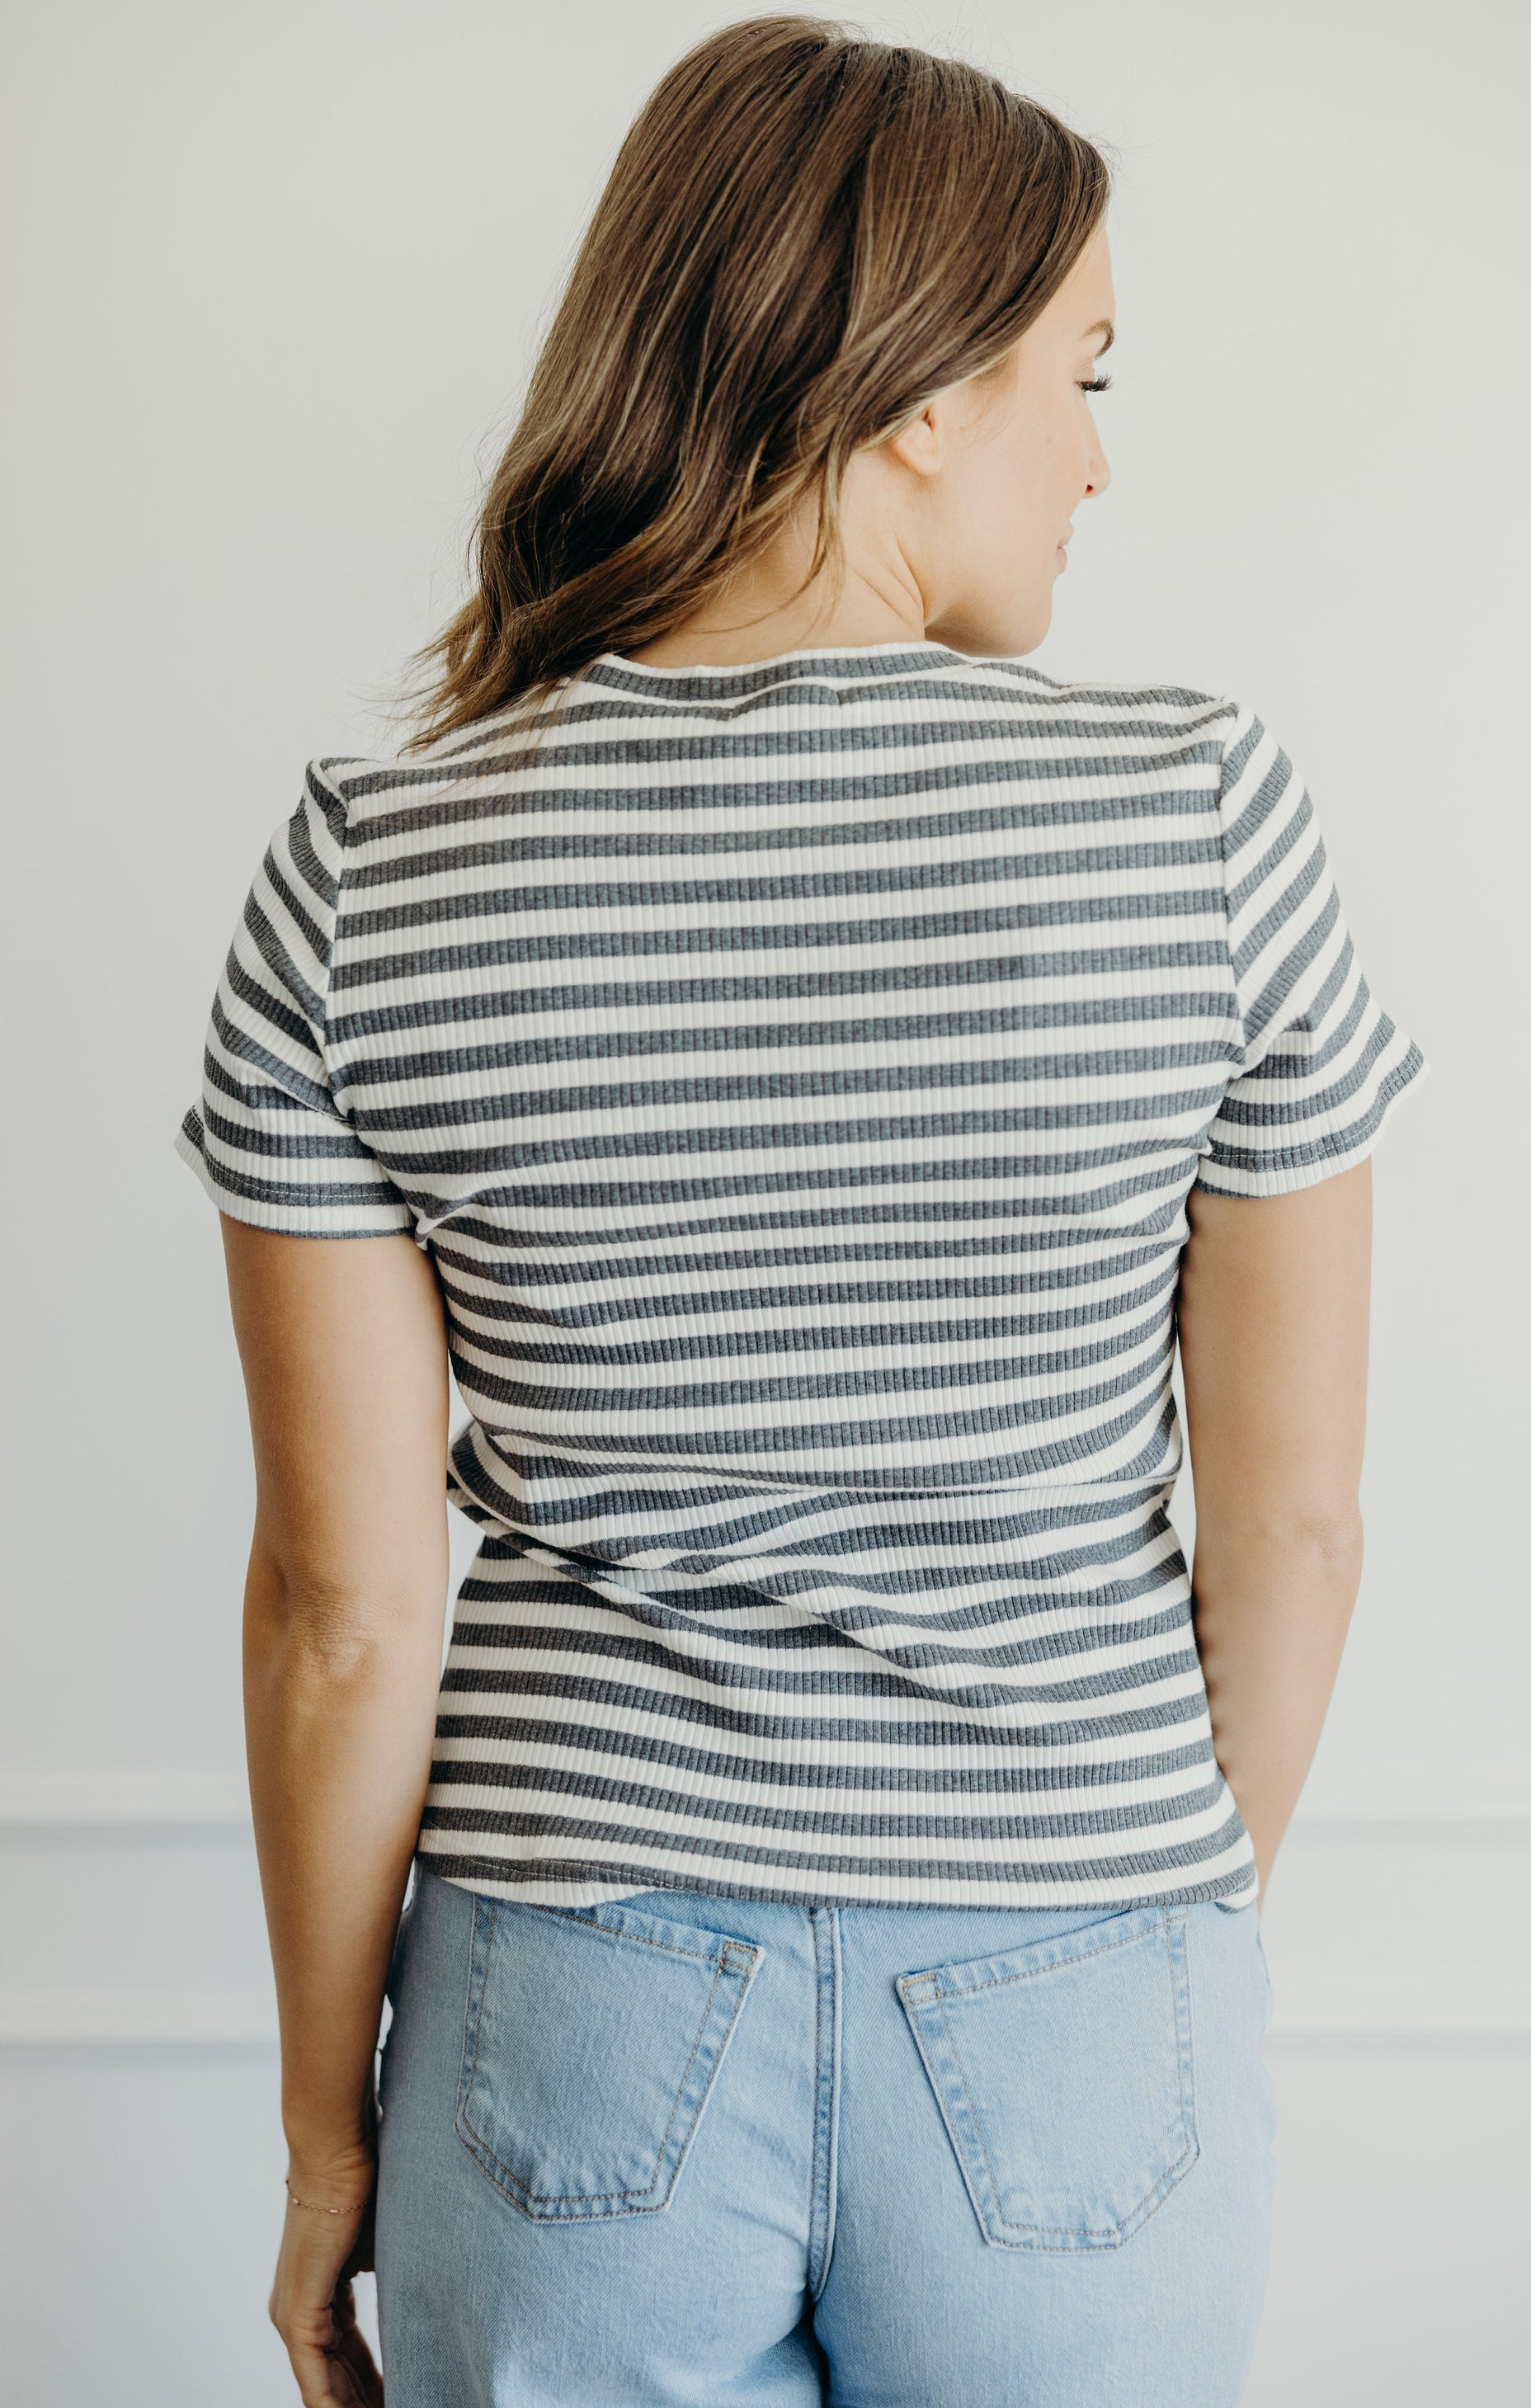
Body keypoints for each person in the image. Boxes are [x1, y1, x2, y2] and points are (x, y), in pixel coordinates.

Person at [177, 16, 1425, 2406]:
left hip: (567, 1998)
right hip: (1079, 1961)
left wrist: (325, 2143)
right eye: (1078, 370)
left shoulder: (374, 865)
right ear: (915, 390)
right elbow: (1289, 1532)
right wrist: (1135, 1939)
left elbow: (346, 1609)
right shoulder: (1197, 819)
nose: (1093, 454)